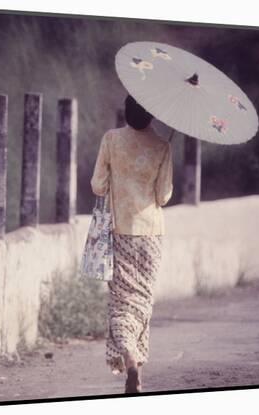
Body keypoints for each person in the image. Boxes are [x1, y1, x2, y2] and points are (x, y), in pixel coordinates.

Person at [90, 94, 173, 393]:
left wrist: (120, 179)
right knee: (142, 301)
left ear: (125, 113)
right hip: (151, 234)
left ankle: (129, 357)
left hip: (121, 230)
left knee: (122, 302)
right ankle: (138, 367)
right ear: (151, 116)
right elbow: (163, 197)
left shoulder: (111, 139)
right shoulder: (163, 145)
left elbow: (98, 185)